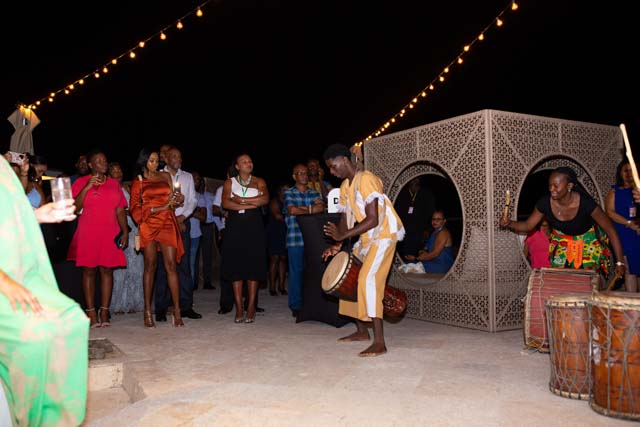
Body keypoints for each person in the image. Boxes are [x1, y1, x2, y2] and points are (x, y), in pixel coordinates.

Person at [0, 155, 89, 427]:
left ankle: (56, 419)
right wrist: (4, 282)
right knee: (37, 336)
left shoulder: (2, 167)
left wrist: (39, 215)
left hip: (18, 270)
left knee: (72, 319)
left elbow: (8, 216)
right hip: (4, 279)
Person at [321, 143, 405, 357]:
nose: (332, 172)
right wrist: (337, 244)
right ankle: (361, 331)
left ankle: (380, 341)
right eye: (330, 168)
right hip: (367, 238)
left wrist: (342, 236)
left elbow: (373, 219)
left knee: (368, 279)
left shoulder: (366, 179)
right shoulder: (345, 186)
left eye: (333, 166)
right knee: (349, 276)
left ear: (344, 160)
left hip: (384, 235)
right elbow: (345, 219)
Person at [499, 166, 626, 281]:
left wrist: (620, 262)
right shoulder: (544, 203)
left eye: (556, 186)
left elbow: (611, 230)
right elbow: (528, 225)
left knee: (585, 282)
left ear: (569, 186)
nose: (551, 189)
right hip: (562, 242)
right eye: (550, 185)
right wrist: (509, 223)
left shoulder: (586, 204)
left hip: (587, 242)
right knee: (562, 280)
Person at [66, 149, 129, 328]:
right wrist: (87, 187)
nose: (103, 163)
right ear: (90, 165)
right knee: (89, 271)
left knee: (107, 270)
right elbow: (75, 208)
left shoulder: (114, 184)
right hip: (88, 231)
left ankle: (104, 311)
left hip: (110, 231)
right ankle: (91, 311)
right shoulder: (80, 182)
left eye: (105, 160)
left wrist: (125, 231)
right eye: (99, 161)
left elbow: (120, 209)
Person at [129, 148, 185, 328]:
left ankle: (177, 311)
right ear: (143, 161)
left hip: (167, 222)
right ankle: (147, 311)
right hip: (148, 223)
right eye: (151, 161)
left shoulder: (165, 176)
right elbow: (134, 208)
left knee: (171, 266)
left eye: (156, 161)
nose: (155, 164)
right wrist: (154, 210)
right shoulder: (138, 181)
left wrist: (178, 200)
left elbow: (172, 202)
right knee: (150, 266)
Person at [221, 153, 269, 323]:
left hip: (254, 226)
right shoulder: (230, 182)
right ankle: (239, 308)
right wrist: (251, 203)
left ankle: (251, 307)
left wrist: (241, 200)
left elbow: (265, 199)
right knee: (236, 266)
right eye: (244, 162)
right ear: (237, 166)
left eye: (250, 161)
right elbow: (226, 203)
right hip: (235, 227)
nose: (249, 163)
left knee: (253, 265)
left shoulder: (259, 181)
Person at [155, 147, 202, 321]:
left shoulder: (187, 177)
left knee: (183, 265)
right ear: (166, 159)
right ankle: (161, 308)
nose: (178, 159)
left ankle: (186, 306)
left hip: (182, 223)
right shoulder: (158, 175)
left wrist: (182, 217)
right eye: (174, 156)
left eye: (180, 157)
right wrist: (169, 218)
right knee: (163, 266)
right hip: (163, 224)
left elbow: (192, 200)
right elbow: (155, 201)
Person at [284, 164, 324, 316]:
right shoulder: (289, 192)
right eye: (300, 173)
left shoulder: (313, 192)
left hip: (312, 238)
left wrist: (303, 210)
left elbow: (321, 208)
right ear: (294, 176)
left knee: (312, 272)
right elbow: (292, 210)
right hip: (295, 238)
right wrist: (311, 209)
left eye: (305, 173)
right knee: (296, 273)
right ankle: (296, 305)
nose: (304, 176)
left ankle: (310, 303)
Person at [108, 161, 144, 313]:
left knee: (135, 268)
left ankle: (133, 303)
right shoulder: (108, 189)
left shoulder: (127, 188)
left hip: (133, 229)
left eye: (119, 170)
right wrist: (126, 211)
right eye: (114, 171)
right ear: (108, 174)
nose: (118, 173)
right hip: (117, 230)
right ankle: (118, 305)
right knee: (119, 270)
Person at [605, 159, 640, 291]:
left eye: (631, 171)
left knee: (636, 267)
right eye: (626, 171)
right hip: (622, 233)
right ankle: (631, 298)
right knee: (628, 268)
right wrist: (628, 223)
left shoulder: (638, 191)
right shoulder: (615, 191)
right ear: (620, 172)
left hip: (637, 232)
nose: (628, 174)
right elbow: (609, 211)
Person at [395, 176, 436, 260]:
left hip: (422, 232)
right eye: (412, 180)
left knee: (422, 255)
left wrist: (428, 229)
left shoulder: (426, 194)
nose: (414, 181)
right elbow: (397, 213)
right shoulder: (402, 194)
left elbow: (431, 213)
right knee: (408, 256)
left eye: (416, 180)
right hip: (407, 233)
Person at [266, 183, 289, 296]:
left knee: (283, 258)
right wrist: (291, 217)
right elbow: (277, 216)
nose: (286, 192)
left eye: (288, 190)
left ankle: (281, 286)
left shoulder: (289, 202)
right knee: (275, 258)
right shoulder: (274, 201)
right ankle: (272, 287)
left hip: (285, 231)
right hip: (274, 231)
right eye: (284, 190)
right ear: (279, 191)